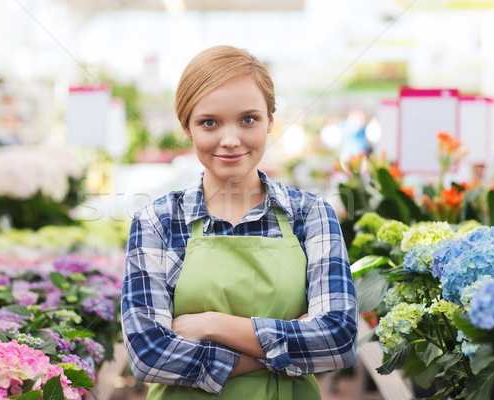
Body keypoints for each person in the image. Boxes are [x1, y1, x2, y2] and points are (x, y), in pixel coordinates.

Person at [121, 45, 358, 399]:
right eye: (209, 122)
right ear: (187, 127)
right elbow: (149, 355)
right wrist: (285, 345)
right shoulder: (157, 221)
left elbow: (338, 339)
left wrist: (212, 325)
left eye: (248, 119)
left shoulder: (310, 214)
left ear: (270, 121)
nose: (230, 140)